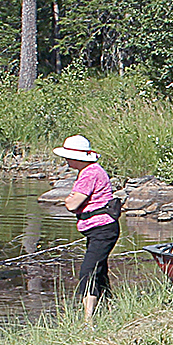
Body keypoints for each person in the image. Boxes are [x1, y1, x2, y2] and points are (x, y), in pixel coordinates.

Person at [56, 134, 119, 322]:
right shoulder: (91, 171)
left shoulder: (90, 173)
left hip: (102, 229)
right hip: (101, 229)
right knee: (99, 269)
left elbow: (72, 204)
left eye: (68, 156)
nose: (66, 160)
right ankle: (108, 308)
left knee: (88, 271)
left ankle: (88, 320)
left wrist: (69, 199)